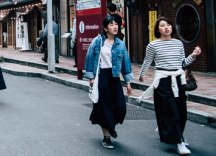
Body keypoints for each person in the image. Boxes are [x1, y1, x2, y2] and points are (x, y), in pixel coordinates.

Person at [138, 17, 201, 155]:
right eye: (162, 25)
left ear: (172, 28)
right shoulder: (153, 45)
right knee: (171, 112)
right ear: (158, 30)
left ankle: (172, 132)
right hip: (163, 81)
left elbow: (183, 63)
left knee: (181, 111)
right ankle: (179, 142)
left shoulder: (178, 43)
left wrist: (194, 55)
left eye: (168, 25)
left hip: (178, 80)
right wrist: (141, 75)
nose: (166, 27)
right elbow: (147, 60)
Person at [84, 16, 134, 150]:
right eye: (111, 25)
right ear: (105, 28)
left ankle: (111, 125)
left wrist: (128, 82)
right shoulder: (98, 42)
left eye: (116, 24)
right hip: (101, 77)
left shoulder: (120, 44)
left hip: (115, 78)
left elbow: (126, 63)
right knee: (104, 107)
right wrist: (91, 77)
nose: (115, 27)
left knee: (120, 107)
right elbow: (89, 58)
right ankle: (106, 136)